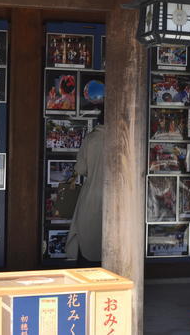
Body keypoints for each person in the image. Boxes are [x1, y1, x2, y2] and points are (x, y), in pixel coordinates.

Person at [65, 106, 105, 264]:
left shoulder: (92, 138)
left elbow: (81, 169)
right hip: (117, 195)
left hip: (92, 193)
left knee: (87, 234)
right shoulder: (122, 137)